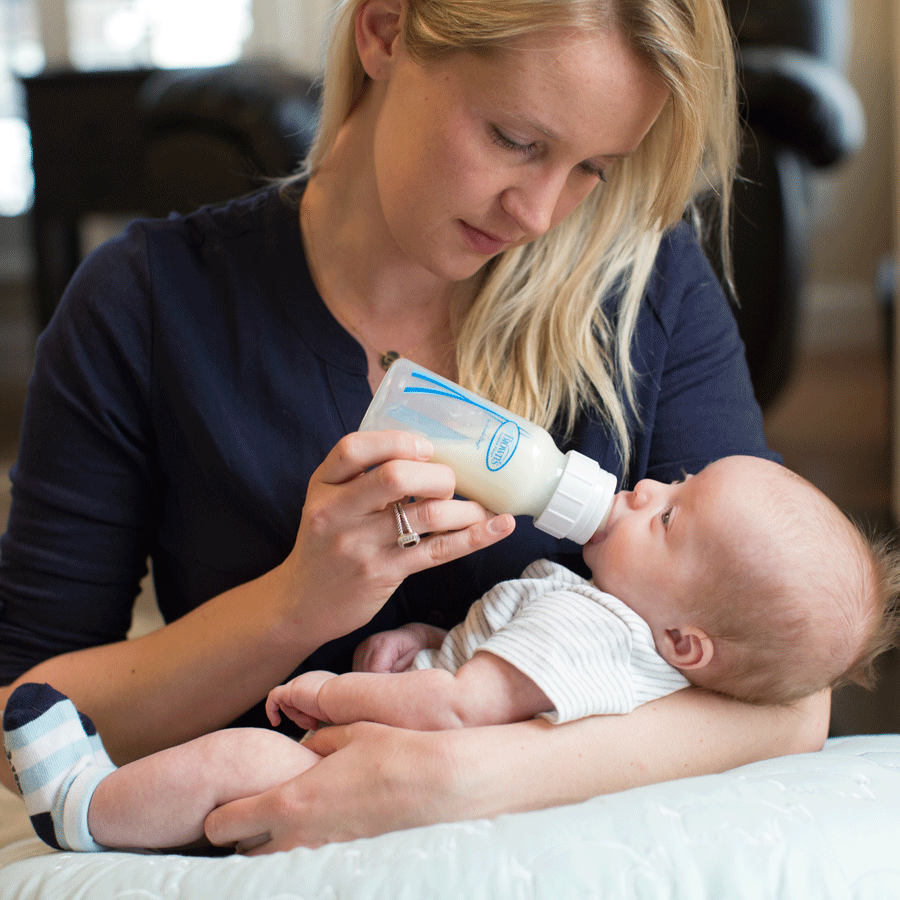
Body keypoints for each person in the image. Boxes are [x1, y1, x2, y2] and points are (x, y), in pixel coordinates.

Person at [0, 0, 836, 854]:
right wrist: (293, 606)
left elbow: (793, 694)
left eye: (595, 167)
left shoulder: (643, 288)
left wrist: (454, 780)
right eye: (516, 139)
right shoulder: (145, 305)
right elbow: (19, 723)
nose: (540, 214)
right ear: (385, 31)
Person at [6, 456, 896, 853]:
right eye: (679, 482)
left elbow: (460, 709)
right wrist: (436, 641)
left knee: (244, 759)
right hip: (404, 751)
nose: (650, 486)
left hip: (371, 772)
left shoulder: (595, 627)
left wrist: (338, 689)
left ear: (686, 642)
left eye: (668, 517)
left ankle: (85, 808)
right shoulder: (616, 630)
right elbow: (497, 677)